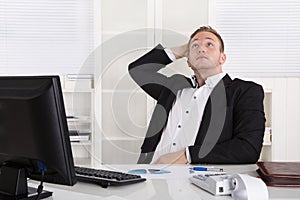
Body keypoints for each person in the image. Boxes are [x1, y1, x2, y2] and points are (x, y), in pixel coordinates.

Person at [128, 26, 265, 164]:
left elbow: (248, 148)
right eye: (195, 46)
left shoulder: (244, 91)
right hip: (148, 173)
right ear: (188, 62)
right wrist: (182, 50)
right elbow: (138, 70)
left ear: (222, 58)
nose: (201, 49)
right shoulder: (174, 86)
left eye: (209, 44)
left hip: (197, 180)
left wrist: (187, 155)